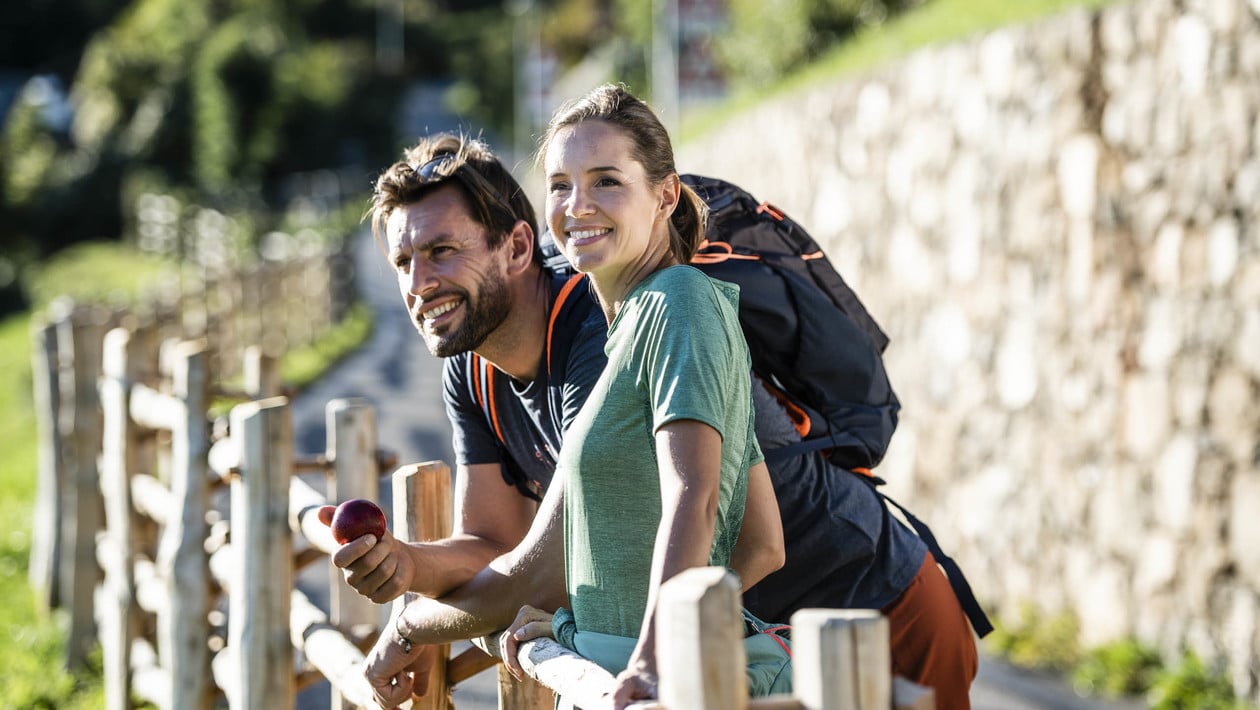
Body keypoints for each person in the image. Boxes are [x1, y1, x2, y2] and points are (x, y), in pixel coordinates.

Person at [335, 93, 977, 709]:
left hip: (876, 611)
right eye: (560, 185)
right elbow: (513, 547)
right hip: (762, 652)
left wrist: (415, 625)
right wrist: (410, 565)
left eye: (442, 251)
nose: (420, 282)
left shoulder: (655, 317)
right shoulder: (531, 349)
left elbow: (551, 570)